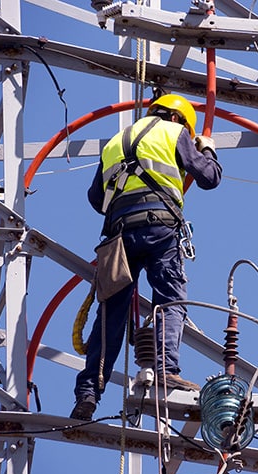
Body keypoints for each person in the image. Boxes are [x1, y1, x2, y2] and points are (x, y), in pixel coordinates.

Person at [70, 94, 222, 421]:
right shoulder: (174, 132)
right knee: (170, 300)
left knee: (110, 315)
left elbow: (96, 198)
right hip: (160, 230)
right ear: (180, 119)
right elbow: (208, 177)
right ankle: (165, 369)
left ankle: (88, 393)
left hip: (119, 235)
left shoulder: (114, 142)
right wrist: (205, 148)